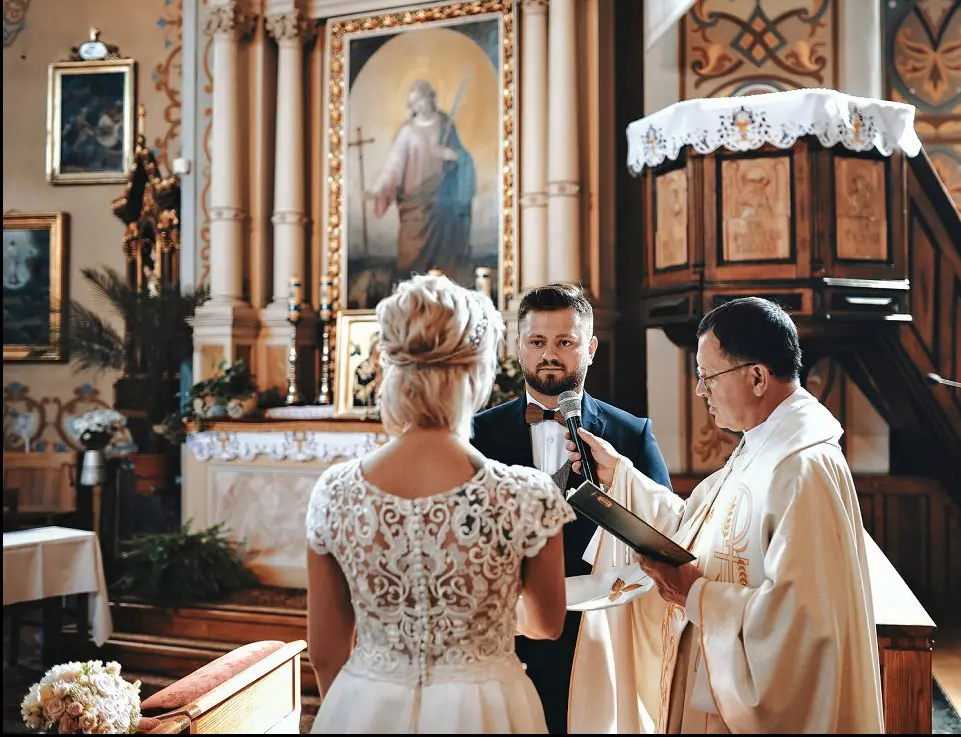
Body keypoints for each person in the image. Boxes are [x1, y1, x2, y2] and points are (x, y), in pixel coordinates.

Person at [565, 297, 884, 734]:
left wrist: (697, 594)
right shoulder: (760, 447)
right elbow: (695, 527)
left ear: (756, 377)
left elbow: (802, 628)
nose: (701, 390)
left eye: (707, 376)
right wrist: (620, 474)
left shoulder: (801, 467)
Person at [305, 273, 577, 734]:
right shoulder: (525, 494)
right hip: (486, 708)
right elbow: (548, 624)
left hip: (365, 700)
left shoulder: (336, 491)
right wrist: (474, 612)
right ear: (476, 371)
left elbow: (326, 649)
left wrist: (352, 709)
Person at [471, 283, 672, 734]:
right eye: (537, 342)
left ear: (591, 348)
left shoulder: (631, 434)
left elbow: (665, 536)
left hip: (600, 634)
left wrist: (616, 488)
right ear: (517, 346)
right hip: (509, 634)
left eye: (565, 342)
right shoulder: (477, 436)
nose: (550, 355)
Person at [368, 79, 476, 283]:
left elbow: (463, 157)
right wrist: (382, 186)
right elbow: (394, 164)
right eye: (413, 103)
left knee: (443, 258)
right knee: (409, 258)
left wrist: (451, 155)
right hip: (415, 204)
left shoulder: (446, 125)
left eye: (419, 100)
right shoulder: (408, 132)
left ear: (430, 98)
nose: (416, 106)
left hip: (442, 202)